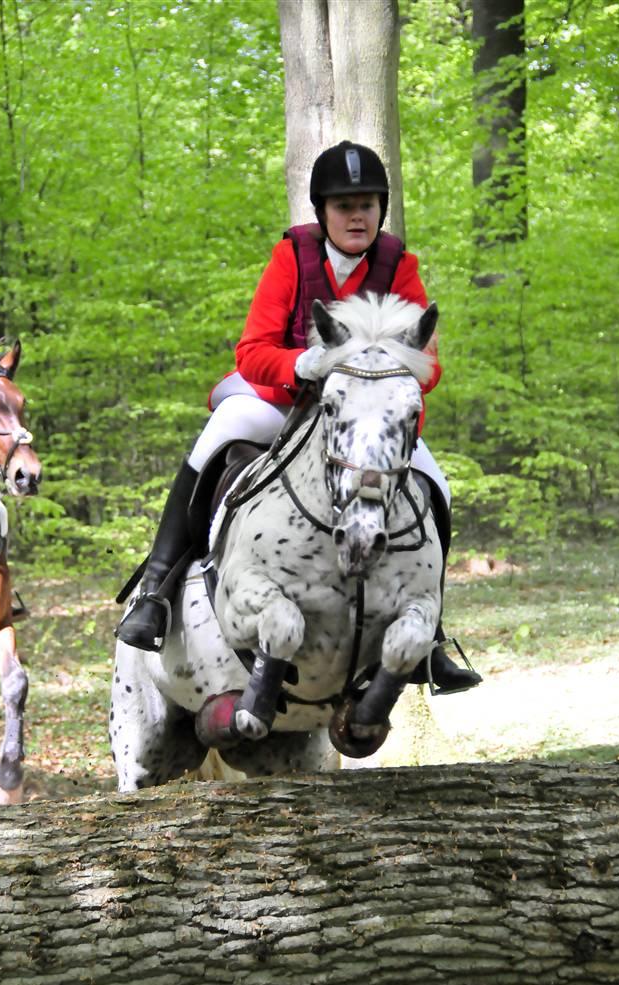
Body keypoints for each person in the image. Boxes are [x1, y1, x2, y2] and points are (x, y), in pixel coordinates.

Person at [117, 141, 480, 694]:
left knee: (436, 483)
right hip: (285, 398)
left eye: (367, 205)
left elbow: (426, 367)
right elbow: (251, 351)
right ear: (323, 212)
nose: (357, 215)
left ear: (381, 209)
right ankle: (158, 590)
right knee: (222, 430)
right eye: (343, 206)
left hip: (360, 421)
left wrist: (385, 386)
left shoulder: (399, 266)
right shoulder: (291, 259)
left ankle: (430, 635)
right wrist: (306, 362)